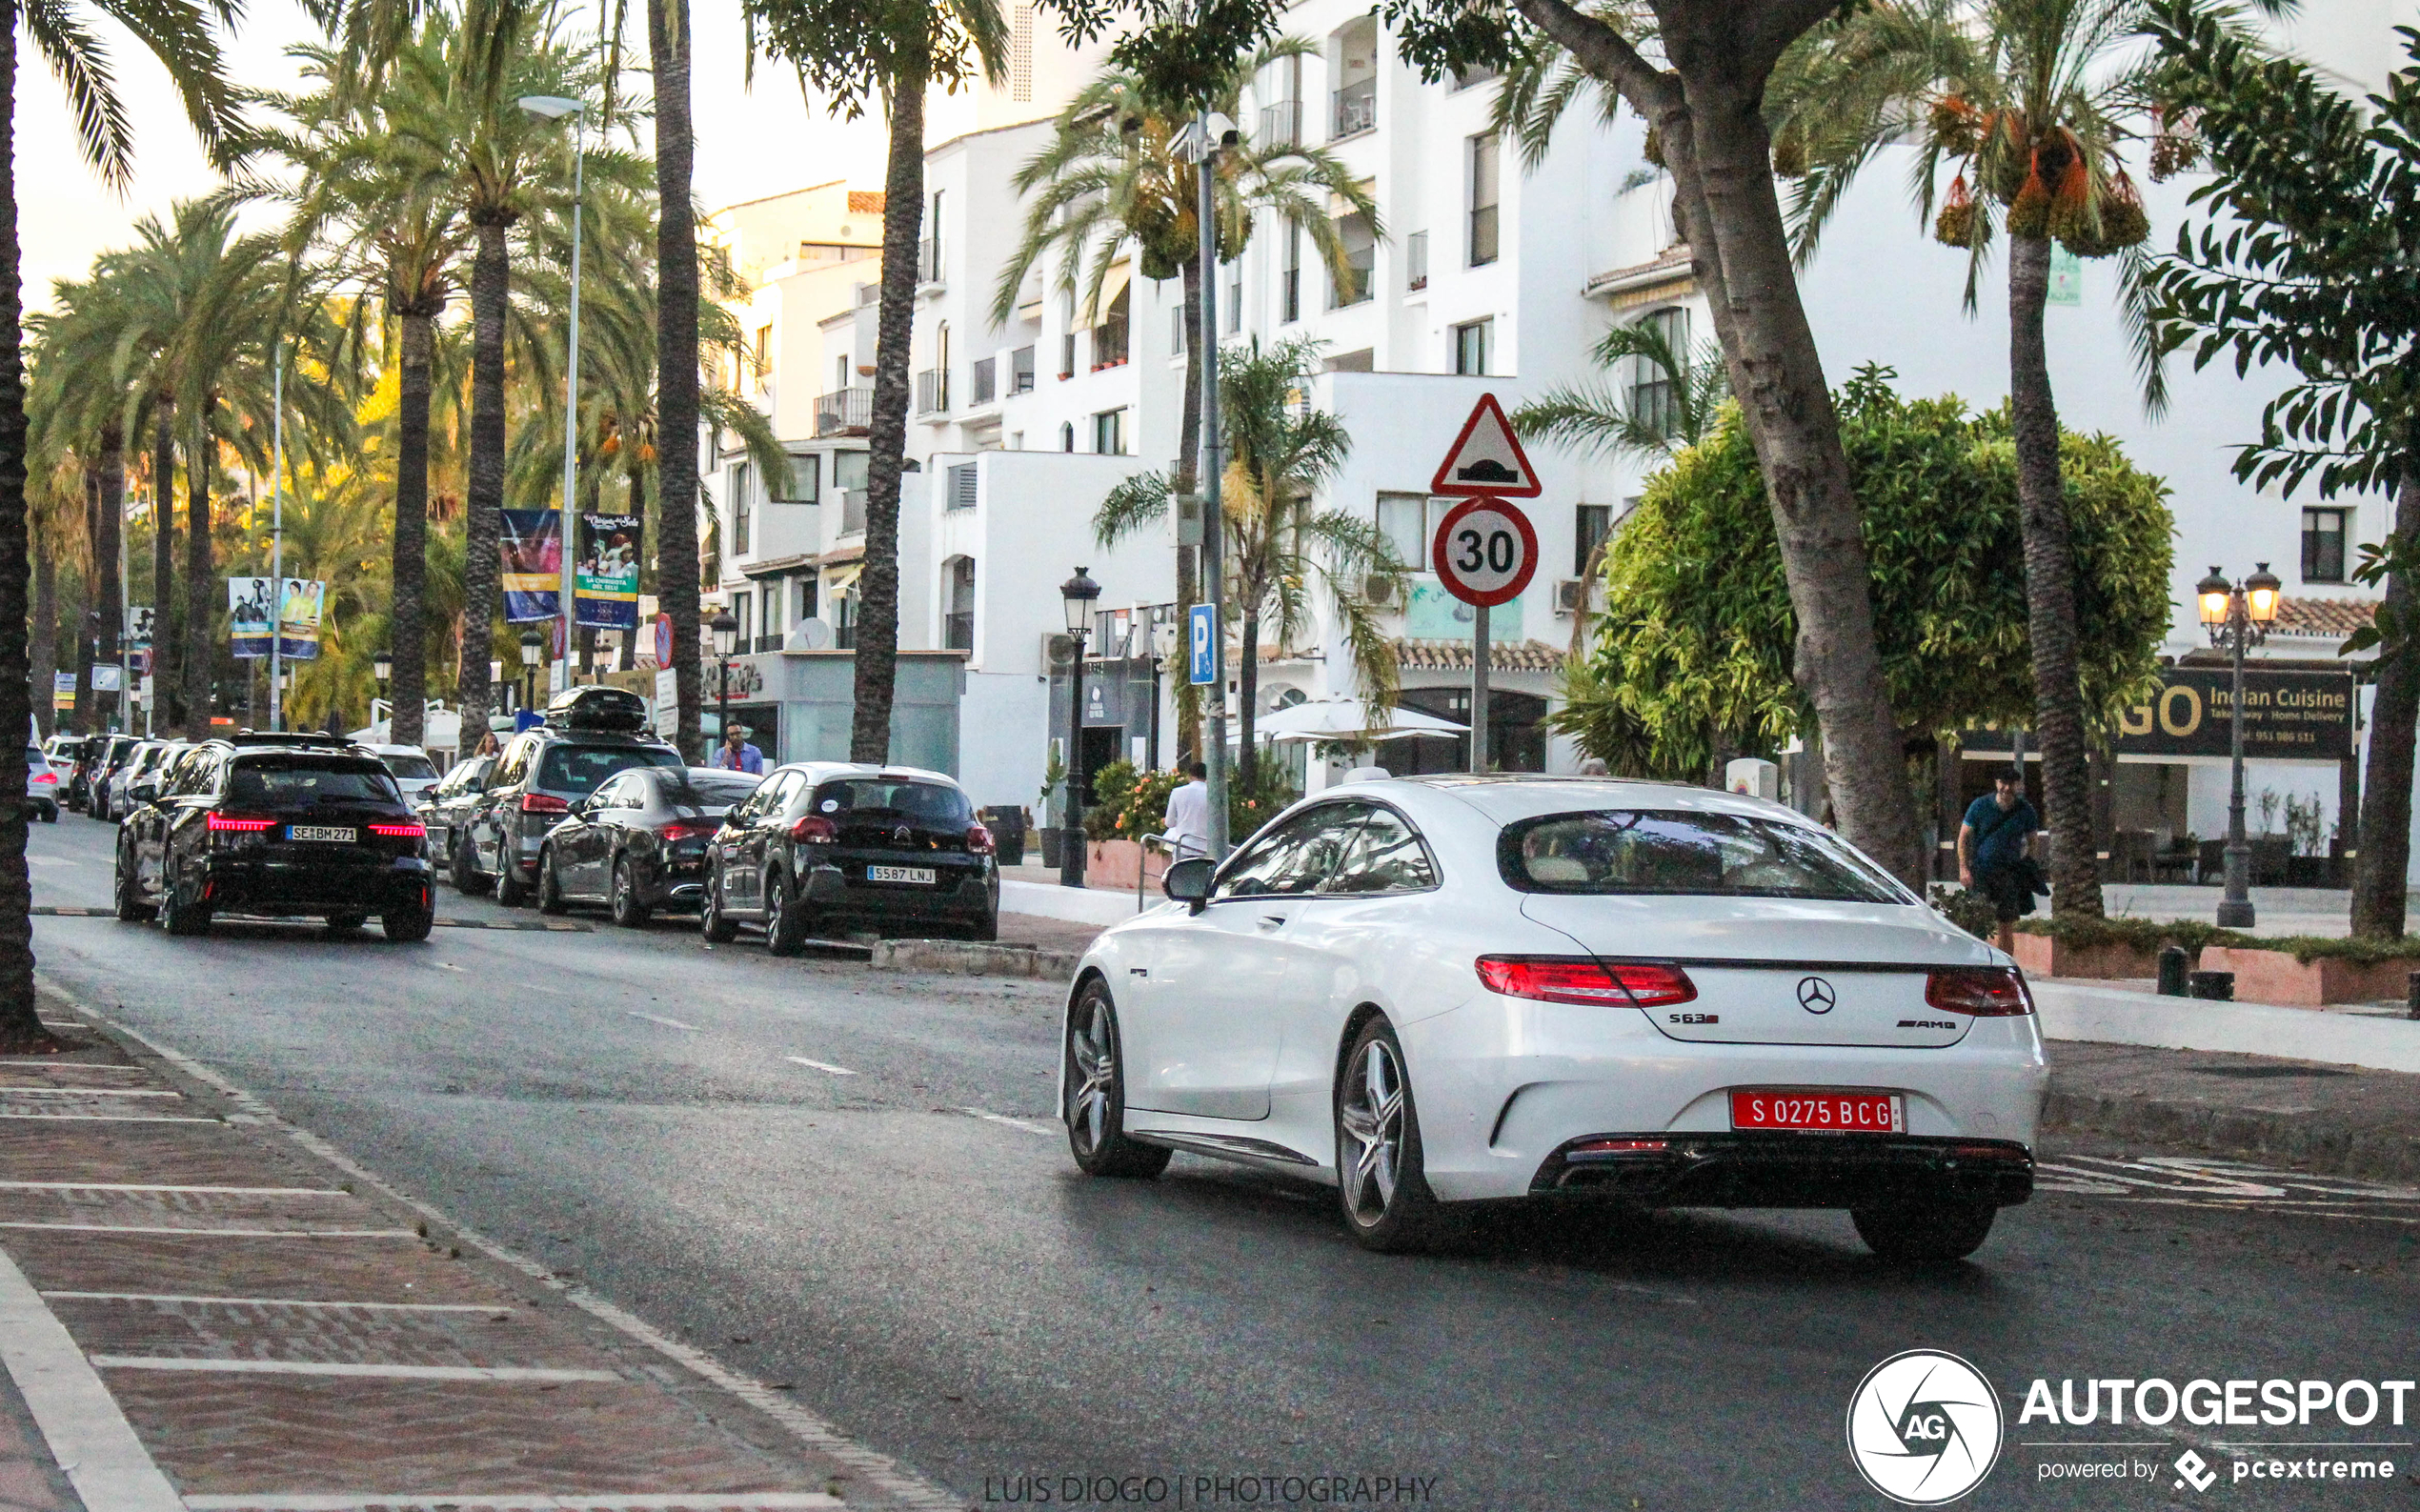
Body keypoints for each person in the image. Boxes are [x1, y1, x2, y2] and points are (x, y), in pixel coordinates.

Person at [1959, 766, 2040, 952]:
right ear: (1996, 783)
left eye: (2011, 784)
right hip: (1981, 872)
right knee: (1978, 923)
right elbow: (1963, 837)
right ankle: (1976, 966)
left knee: (2006, 925)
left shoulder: (2025, 810)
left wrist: (2027, 866)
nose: (2006, 788)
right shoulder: (1980, 806)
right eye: (2003, 783)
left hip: (2009, 873)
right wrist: (1963, 868)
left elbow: (2033, 840)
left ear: (2016, 785)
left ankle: (2005, 969)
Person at [1162, 761, 1211, 859]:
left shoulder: (1177, 792)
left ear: (1190, 775)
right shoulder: (1211, 793)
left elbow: (1169, 822)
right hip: (1206, 846)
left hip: (1184, 844)